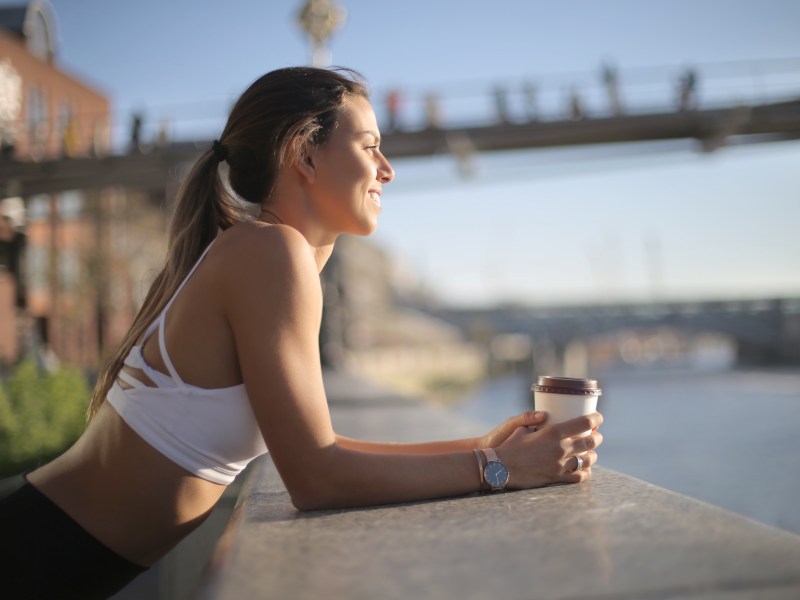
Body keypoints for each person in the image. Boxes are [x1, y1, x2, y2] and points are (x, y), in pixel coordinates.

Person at [0, 66, 603, 599]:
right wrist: (499, 469)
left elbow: (323, 446)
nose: (387, 170)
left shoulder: (261, 252)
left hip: (52, 550)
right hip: (32, 552)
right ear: (305, 156)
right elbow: (317, 479)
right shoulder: (271, 252)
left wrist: (483, 446)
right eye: (370, 147)